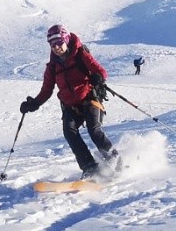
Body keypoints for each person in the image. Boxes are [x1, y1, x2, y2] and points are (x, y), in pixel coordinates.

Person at [21, 23, 120, 179]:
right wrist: (34, 103)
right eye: (52, 44)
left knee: (94, 130)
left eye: (59, 42)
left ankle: (116, 161)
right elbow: (47, 90)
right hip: (70, 105)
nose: (56, 47)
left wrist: (98, 77)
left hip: (89, 99)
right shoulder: (52, 67)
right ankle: (90, 167)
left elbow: (100, 71)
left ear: (66, 40)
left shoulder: (80, 55)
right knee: (69, 132)